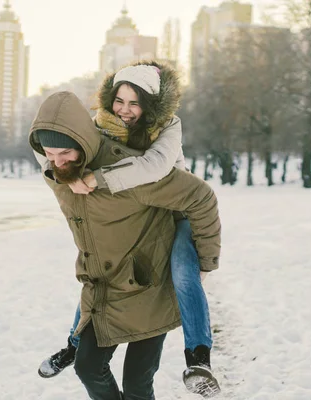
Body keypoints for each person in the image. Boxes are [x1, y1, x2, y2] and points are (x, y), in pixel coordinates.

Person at [37, 61, 221, 396]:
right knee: (95, 273)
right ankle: (73, 344)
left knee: (184, 272)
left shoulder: (167, 127)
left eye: (134, 103)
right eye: (119, 101)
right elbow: (60, 144)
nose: (124, 110)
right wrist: (62, 160)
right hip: (118, 261)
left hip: (174, 210)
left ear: (149, 105)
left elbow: (155, 167)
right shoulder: (96, 131)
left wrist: (102, 177)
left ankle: (199, 355)